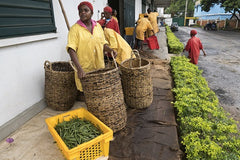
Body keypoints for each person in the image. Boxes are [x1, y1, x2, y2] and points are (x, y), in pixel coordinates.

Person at [66, 1, 117, 92]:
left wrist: (110, 50)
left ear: (92, 13)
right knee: (88, 93)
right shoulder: (75, 29)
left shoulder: (98, 27)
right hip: (85, 69)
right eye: (80, 11)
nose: (83, 13)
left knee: (99, 91)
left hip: (98, 67)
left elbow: (103, 43)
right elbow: (71, 49)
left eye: (86, 10)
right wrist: (79, 69)